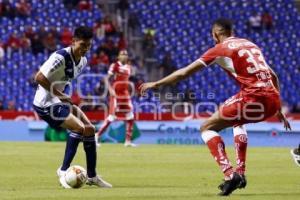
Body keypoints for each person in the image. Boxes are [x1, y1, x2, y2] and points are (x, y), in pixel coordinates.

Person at [140, 18, 291, 196]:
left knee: (206, 127)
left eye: (213, 35)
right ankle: (240, 173)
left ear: (216, 33)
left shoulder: (220, 49)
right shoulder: (250, 44)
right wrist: (278, 108)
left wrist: (156, 84)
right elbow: (273, 75)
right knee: (237, 121)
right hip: (272, 99)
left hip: (253, 98)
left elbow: (184, 72)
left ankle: (229, 175)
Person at [32, 26, 112, 189]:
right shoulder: (60, 56)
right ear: (73, 41)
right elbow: (38, 77)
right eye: (82, 45)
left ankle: (92, 176)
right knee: (79, 128)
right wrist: (60, 95)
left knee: (89, 129)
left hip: (59, 101)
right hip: (45, 103)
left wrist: (64, 98)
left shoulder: (83, 61)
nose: (86, 49)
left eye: (88, 45)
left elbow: (65, 80)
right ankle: (62, 170)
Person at [95, 50, 136, 147]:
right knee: (112, 117)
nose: (124, 56)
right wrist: (110, 90)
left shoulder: (129, 68)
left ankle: (128, 141)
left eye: (126, 54)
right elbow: (106, 78)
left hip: (125, 95)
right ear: (118, 56)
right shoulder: (115, 65)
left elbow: (126, 81)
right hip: (116, 94)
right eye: (122, 54)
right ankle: (96, 136)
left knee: (130, 116)